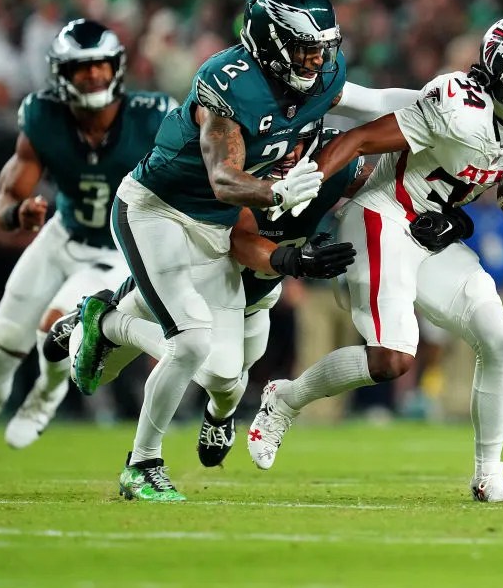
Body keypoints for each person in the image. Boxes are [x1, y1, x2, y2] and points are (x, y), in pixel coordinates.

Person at [69, 0, 418, 501]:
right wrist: (278, 193)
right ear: (269, 41)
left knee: (225, 373)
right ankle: (142, 462)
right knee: (190, 340)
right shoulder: (228, 82)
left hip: (217, 225)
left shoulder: (320, 79)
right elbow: (224, 179)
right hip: (159, 209)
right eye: (303, 50)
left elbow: (372, 102)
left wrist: (444, 107)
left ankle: (113, 320)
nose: (315, 63)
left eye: (322, 51)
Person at [246, 13, 503, 504]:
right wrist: (302, 183)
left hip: (434, 232)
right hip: (385, 211)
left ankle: (490, 474)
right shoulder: (458, 106)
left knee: (498, 337)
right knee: (392, 359)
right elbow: (356, 138)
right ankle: (285, 400)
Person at [47, 127, 364, 469]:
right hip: (195, 280)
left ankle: (217, 418)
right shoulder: (237, 167)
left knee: (231, 381)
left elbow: (383, 184)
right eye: (282, 141)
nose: (287, 152)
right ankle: (106, 321)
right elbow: (241, 239)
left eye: (297, 143)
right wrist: (294, 259)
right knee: (118, 374)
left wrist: (418, 212)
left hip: (254, 298)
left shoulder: (333, 165)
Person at [0, 19, 174, 475]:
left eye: (101, 66)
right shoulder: (43, 117)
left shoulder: (152, 116)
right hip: (62, 235)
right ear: (60, 75)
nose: (93, 77)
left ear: (117, 68)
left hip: (117, 250)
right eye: (82, 69)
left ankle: (45, 396)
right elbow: (4, 199)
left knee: (54, 327)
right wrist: (16, 214)